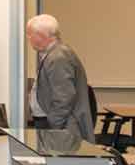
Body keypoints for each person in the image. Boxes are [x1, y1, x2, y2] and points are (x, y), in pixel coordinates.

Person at [24, 14, 97, 143]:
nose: (28, 38)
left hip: (61, 127)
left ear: (41, 35)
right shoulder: (53, 54)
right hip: (57, 124)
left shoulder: (58, 57)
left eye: (30, 34)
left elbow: (64, 97)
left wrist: (54, 125)